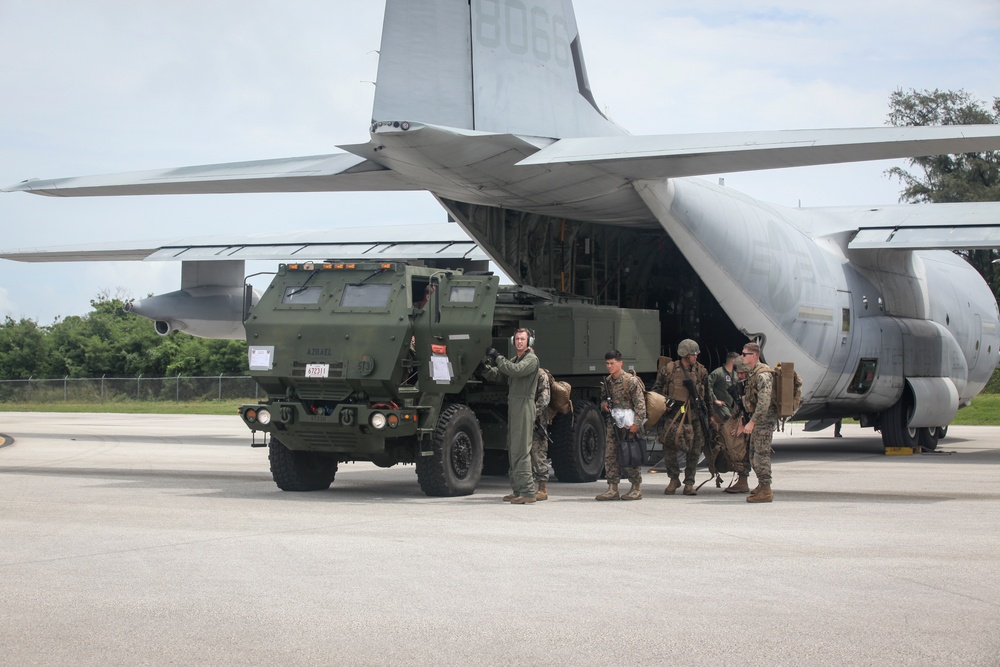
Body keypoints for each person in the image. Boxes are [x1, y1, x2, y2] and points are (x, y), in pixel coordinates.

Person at [482, 329, 539, 505]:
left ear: (529, 341)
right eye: (517, 339)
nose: (519, 342)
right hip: (515, 406)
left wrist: (498, 357)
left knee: (521, 450)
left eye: (523, 339)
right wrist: (483, 368)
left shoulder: (531, 359)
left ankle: (528, 491)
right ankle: (518, 490)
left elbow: (514, 371)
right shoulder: (516, 359)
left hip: (524, 405)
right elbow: (499, 374)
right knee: (514, 449)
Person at [651, 338, 711, 496]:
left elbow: (708, 396)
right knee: (669, 447)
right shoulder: (669, 370)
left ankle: (689, 482)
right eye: (693, 354)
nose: (695, 357)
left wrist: (710, 416)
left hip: (695, 416)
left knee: (695, 449)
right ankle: (673, 478)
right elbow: (656, 390)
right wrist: (665, 402)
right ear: (685, 354)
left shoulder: (701, 371)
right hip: (674, 414)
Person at [596, 350, 647, 501]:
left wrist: (636, 424)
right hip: (614, 424)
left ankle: (636, 487)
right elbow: (603, 400)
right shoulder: (608, 382)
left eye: (612, 363)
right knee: (611, 455)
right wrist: (604, 405)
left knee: (631, 455)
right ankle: (613, 488)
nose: (609, 366)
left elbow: (640, 405)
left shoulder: (630, 381)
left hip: (630, 424)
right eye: (607, 364)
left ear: (620, 363)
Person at [736, 342, 777, 503]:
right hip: (758, 421)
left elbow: (764, 403)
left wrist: (751, 422)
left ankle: (766, 489)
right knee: (753, 454)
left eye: (745, 354)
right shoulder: (753, 373)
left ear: (754, 356)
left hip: (763, 421)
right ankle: (762, 485)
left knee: (761, 455)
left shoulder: (762, 375)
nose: (742, 357)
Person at [722, 359, 752, 494]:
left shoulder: (755, 383)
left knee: (758, 456)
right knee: (743, 451)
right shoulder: (742, 384)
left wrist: (746, 423)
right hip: (746, 421)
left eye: (741, 373)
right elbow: (740, 407)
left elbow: (760, 406)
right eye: (738, 373)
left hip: (756, 423)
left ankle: (764, 486)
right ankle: (743, 481)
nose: (739, 376)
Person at [532, 368, 553, 501]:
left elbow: (545, 398)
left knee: (538, 453)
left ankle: (542, 488)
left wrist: (533, 413)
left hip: (537, 420)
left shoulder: (541, 375)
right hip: (525, 420)